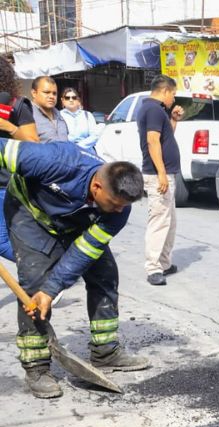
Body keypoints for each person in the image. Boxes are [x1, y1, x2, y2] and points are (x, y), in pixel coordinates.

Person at [1, 139, 149, 398]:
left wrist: (53, 289)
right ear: (97, 186)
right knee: (34, 284)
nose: (119, 210)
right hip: (29, 213)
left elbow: (85, 251)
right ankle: (36, 366)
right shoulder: (54, 160)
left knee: (104, 274)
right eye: (115, 203)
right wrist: (44, 290)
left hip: (76, 222)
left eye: (124, 206)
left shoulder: (118, 211)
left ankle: (105, 352)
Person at [137, 75, 184, 286]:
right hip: (158, 175)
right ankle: (153, 268)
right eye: (173, 94)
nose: (173, 99)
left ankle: (164, 263)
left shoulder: (158, 110)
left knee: (169, 222)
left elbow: (165, 138)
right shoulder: (154, 109)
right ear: (165, 91)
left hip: (165, 174)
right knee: (159, 221)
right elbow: (152, 141)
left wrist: (173, 119)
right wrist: (162, 173)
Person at [0, 57, 40, 263]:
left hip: (9, 183)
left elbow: (33, 142)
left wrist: (8, 127)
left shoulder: (16, 105)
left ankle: (43, 271)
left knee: (2, 240)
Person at [30, 76, 68, 143]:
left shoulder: (58, 114)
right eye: (46, 92)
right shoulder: (27, 114)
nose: (51, 96)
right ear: (34, 93)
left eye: (54, 93)